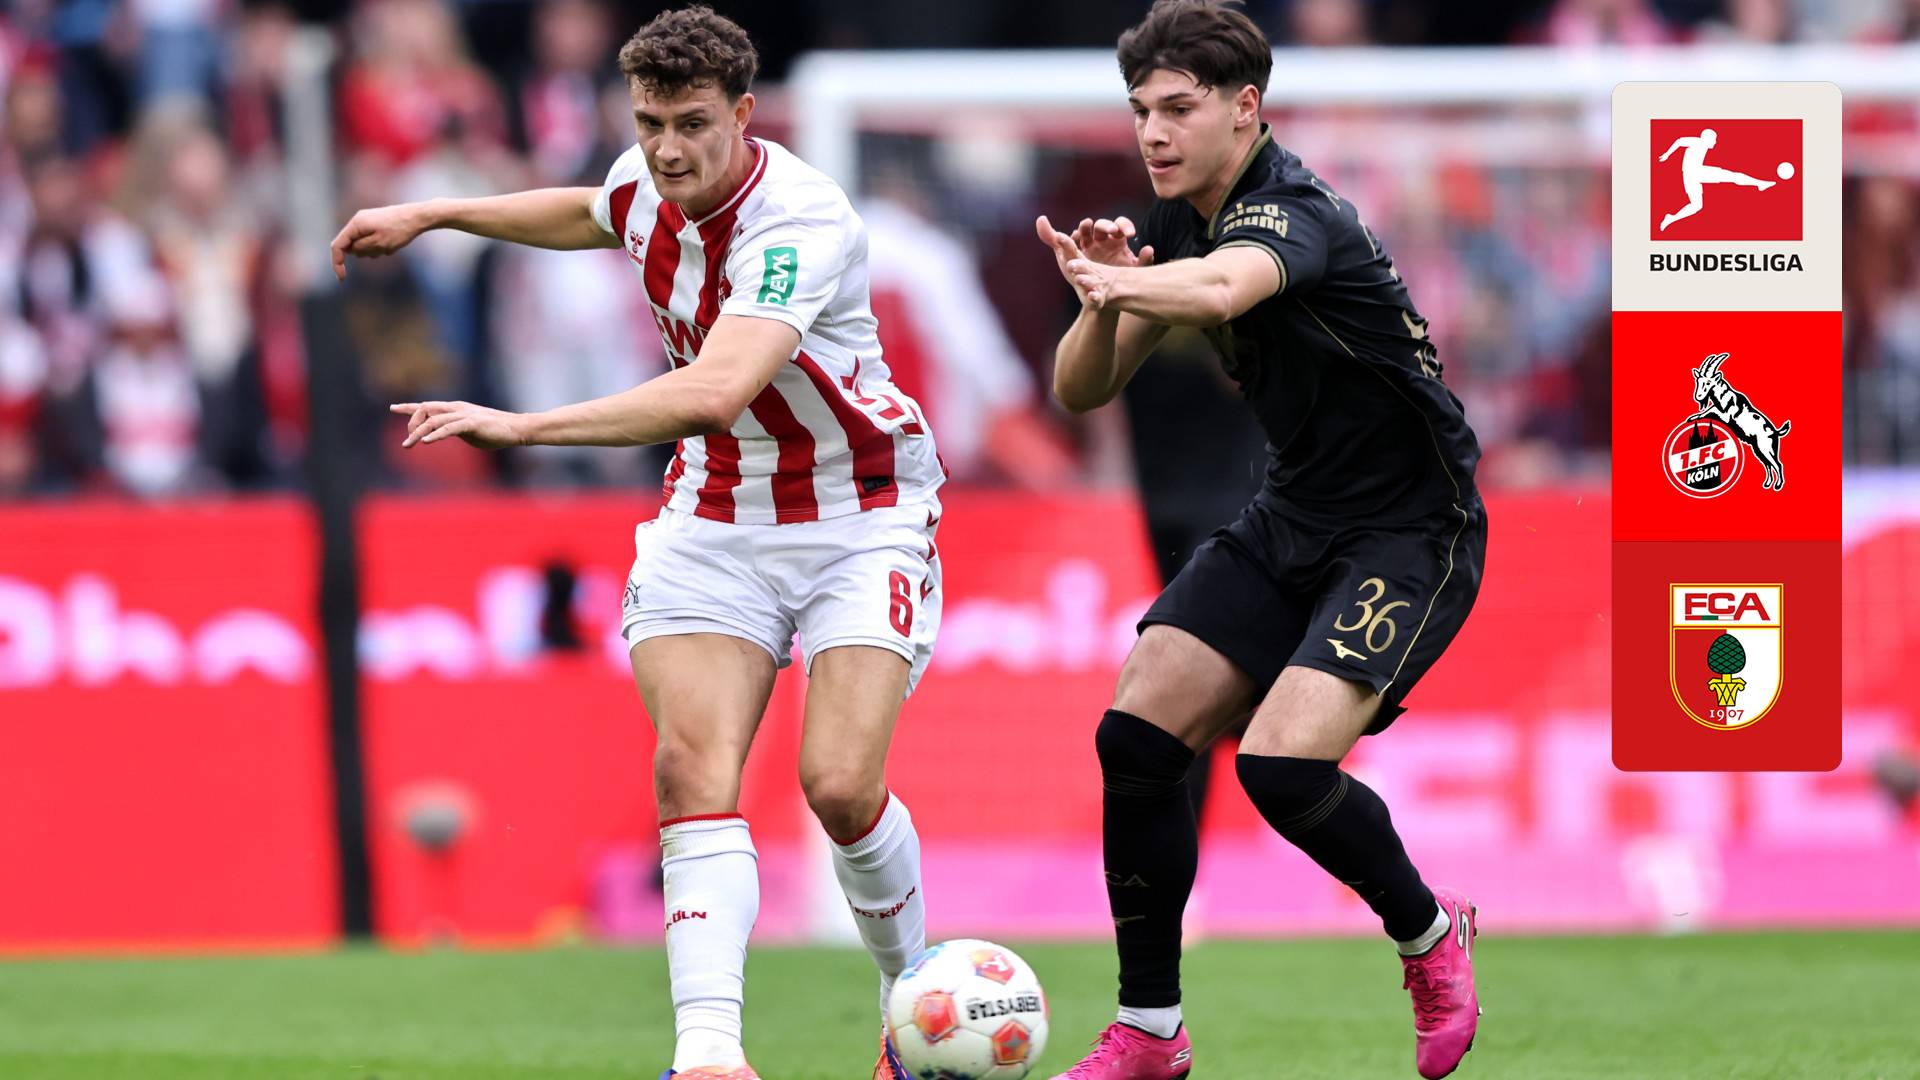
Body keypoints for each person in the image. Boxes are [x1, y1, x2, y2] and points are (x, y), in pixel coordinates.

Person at [330, 8, 941, 1079]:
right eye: (650, 123)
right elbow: (588, 209)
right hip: (716, 513)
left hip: (860, 511)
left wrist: (523, 429)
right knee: (689, 767)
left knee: (840, 787)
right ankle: (708, 1056)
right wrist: (433, 213)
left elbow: (714, 390)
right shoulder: (645, 180)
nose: (667, 150)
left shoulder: (799, 220)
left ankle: (911, 1006)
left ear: (744, 116)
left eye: (692, 125)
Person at [1033, 2, 1489, 1077]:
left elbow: (1227, 286)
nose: (1153, 132)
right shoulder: (1179, 220)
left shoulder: (1294, 212)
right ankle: (1150, 1030)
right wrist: (1100, 300)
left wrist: (1122, 277)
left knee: (1282, 767)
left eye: (1178, 108)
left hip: (1409, 530)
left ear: (1245, 109)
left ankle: (1430, 933)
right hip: (1293, 514)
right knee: (1136, 736)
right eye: (1141, 110)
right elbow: (1080, 389)